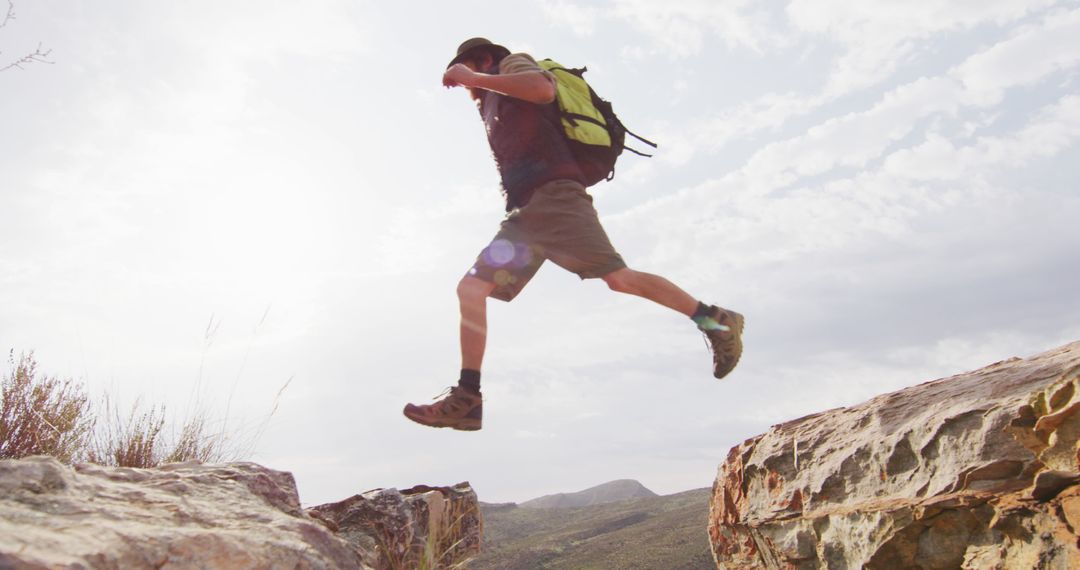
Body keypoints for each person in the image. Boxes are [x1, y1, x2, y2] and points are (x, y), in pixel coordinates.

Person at [403, 38, 744, 431]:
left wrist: (472, 76)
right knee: (472, 289)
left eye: (468, 69)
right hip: (526, 216)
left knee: (619, 278)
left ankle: (717, 321)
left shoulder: (512, 65)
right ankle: (468, 399)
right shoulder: (492, 102)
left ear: (482, 59)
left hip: (556, 198)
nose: (465, 86)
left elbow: (542, 90)